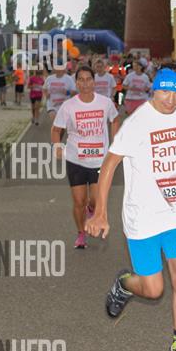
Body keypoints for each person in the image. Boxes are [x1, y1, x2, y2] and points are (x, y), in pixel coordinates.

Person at [86, 68, 176, 351]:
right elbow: (109, 165)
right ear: (154, 90)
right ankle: (124, 284)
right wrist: (101, 212)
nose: (171, 100)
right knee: (154, 289)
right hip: (143, 218)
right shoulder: (137, 123)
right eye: (165, 92)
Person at [52, 66, 120, 249]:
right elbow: (56, 130)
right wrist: (57, 146)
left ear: (94, 81)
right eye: (80, 80)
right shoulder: (68, 106)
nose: (85, 83)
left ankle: (92, 209)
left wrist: (115, 143)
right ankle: (81, 233)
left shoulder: (105, 103)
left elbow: (115, 120)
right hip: (76, 160)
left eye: (88, 79)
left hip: (100, 161)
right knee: (78, 201)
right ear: (76, 83)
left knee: (95, 201)